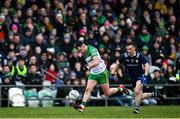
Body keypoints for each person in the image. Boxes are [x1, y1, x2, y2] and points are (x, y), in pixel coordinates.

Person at [73, 40, 129, 112]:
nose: (80, 52)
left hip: (102, 73)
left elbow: (96, 62)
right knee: (87, 89)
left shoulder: (92, 50)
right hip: (93, 73)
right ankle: (82, 106)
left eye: (80, 50)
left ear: (83, 46)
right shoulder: (83, 52)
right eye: (79, 51)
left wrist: (87, 67)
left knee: (107, 93)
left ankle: (121, 88)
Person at [110, 42, 164, 114]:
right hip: (132, 78)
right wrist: (113, 72)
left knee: (136, 91)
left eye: (130, 49)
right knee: (140, 96)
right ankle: (155, 94)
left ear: (134, 48)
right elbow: (118, 63)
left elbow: (147, 65)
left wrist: (145, 75)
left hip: (140, 76)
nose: (128, 51)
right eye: (127, 49)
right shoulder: (124, 56)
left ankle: (136, 109)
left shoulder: (139, 55)